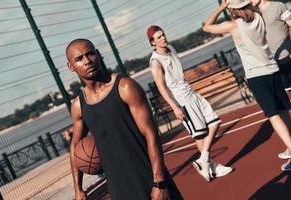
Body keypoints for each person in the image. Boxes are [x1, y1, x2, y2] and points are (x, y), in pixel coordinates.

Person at [66, 38, 183, 200]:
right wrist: (78, 189)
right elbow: (74, 147)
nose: (87, 61)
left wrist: (159, 182)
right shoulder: (79, 106)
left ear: (98, 55)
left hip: (148, 177)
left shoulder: (124, 87)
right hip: (118, 187)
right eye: (79, 59)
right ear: (71, 67)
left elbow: (151, 134)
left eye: (90, 54)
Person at [203, 0, 291, 171]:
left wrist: (221, 8)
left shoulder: (234, 26)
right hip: (273, 69)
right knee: (285, 110)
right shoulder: (258, 17)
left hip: (257, 75)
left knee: (274, 116)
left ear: (232, 8)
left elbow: (207, 27)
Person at [147, 25, 233, 182]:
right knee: (200, 135)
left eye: (163, 34)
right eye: (158, 37)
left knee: (215, 122)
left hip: (191, 92)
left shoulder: (171, 48)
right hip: (182, 100)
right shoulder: (156, 62)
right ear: (152, 42)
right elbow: (161, 88)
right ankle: (211, 166)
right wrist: (175, 107)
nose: (163, 38)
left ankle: (204, 160)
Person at [249, 0, 291, 160]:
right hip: (270, 66)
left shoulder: (277, 6)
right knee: (284, 109)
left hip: (286, 58)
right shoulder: (251, 14)